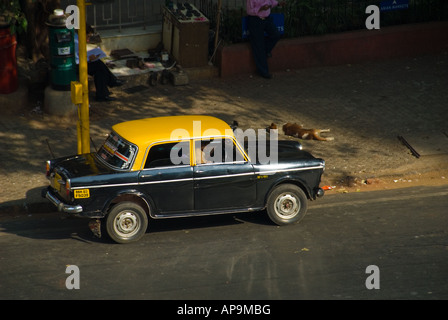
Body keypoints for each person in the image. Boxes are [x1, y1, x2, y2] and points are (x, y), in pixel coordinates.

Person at [74, 25, 124, 102]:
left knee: (99, 69)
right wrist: (88, 58)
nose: (88, 39)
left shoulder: (77, 38)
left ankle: (104, 92)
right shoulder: (76, 41)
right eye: (88, 36)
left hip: (78, 63)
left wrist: (89, 56)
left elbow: (78, 54)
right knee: (99, 66)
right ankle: (111, 83)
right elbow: (77, 59)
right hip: (75, 66)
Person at [246, 0, 282, 79]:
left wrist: (278, 3)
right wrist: (260, 9)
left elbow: (271, 2)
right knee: (258, 45)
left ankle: (265, 51)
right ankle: (263, 71)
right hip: (255, 19)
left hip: (266, 18)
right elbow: (249, 11)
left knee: (275, 35)